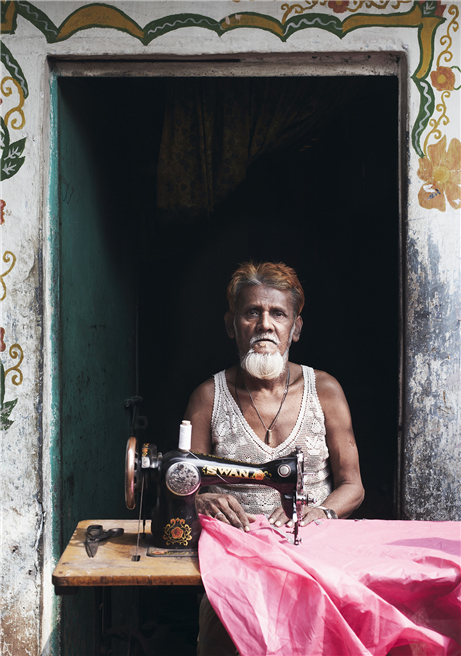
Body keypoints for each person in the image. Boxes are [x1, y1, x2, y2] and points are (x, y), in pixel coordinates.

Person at [184, 261, 364, 656]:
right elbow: (183, 482)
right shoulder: (208, 397)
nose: (265, 324)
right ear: (232, 325)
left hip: (314, 561)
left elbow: (352, 485)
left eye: (278, 313)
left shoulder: (326, 391)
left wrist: (322, 512)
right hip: (237, 565)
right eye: (253, 312)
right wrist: (199, 500)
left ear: (295, 328)